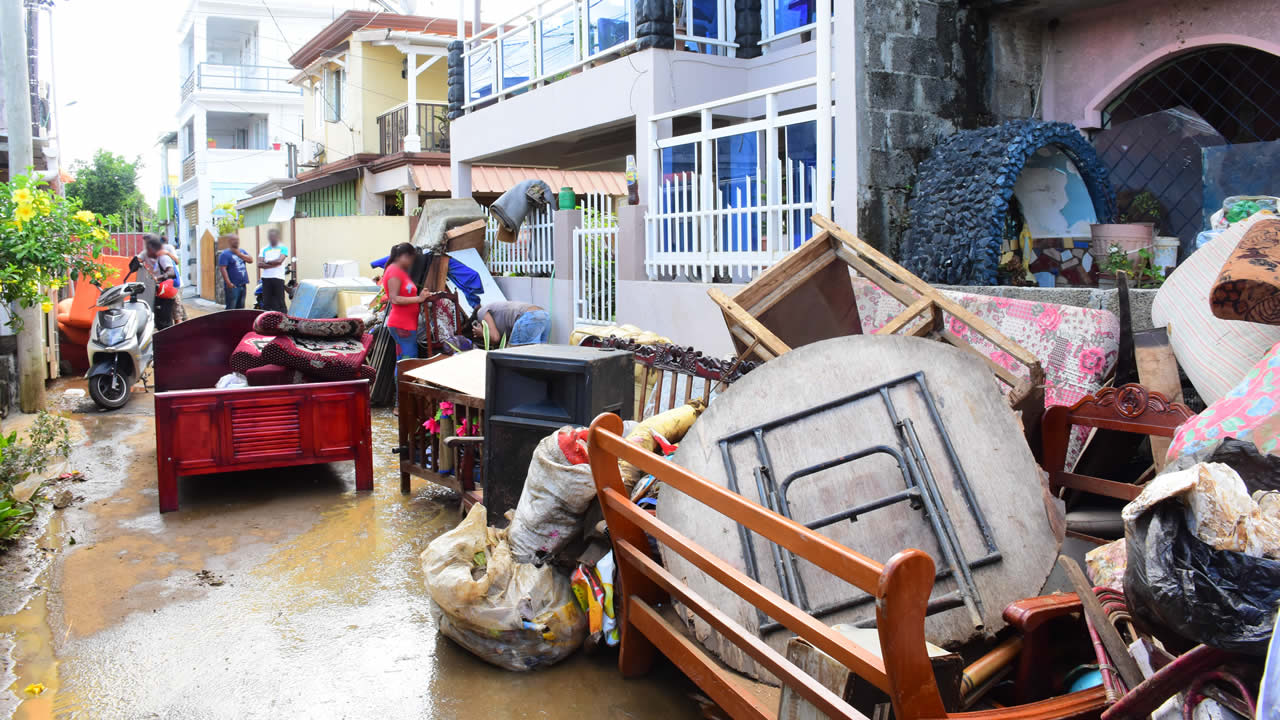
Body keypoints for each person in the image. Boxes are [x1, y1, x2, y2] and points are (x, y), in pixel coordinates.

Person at [381, 243, 430, 394]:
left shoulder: (399, 271)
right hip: (402, 325)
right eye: (411, 258)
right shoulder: (394, 272)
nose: (411, 262)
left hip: (406, 325)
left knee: (403, 362)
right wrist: (419, 299)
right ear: (403, 256)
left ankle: (400, 402)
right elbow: (394, 299)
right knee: (407, 363)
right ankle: (400, 403)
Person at [139, 234, 177, 331]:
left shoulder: (163, 257)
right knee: (157, 319)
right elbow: (137, 260)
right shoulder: (147, 255)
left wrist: (158, 278)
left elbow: (172, 272)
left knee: (167, 320)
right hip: (154, 291)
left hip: (165, 292)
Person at [471, 301, 550, 346]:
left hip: (529, 317)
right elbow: (495, 341)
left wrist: (482, 333)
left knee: (513, 357)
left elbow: (495, 338)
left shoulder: (481, 313)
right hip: (544, 317)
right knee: (538, 357)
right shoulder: (500, 321)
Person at [216, 234, 253, 310]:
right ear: (229, 241)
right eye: (234, 240)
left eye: (237, 240)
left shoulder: (242, 251)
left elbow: (250, 260)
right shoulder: (225, 254)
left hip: (243, 284)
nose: (236, 241)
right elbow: (223, 269)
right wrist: (228, 283)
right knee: (231, 308)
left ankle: (238, 322)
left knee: (241, 308)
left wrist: (239, 254)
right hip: (233, 286)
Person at [258, 229, 289, 312]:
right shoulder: (264, 249)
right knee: (267, 302)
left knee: (280, 302)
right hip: (266, 278)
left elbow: (280, 261)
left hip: (278, 278)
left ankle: (284, 320)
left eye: (274, 236)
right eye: (270, 236)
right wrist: (274, 264)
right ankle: (267, 321)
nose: (272, 238)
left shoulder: (283, 248)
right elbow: (259, 264)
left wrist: (267, 262)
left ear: (277, 237)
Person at [160, 236, 187, 323]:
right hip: (173, 284)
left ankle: (180, 328)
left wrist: (167, 253)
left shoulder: (167, 249)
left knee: (176, 310)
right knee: (179, 308)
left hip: (173, 284)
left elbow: (176, 261)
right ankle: (186, 322)